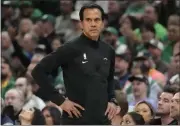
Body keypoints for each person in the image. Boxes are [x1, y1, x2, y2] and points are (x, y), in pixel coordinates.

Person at [31, 3, 117, 125]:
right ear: (81, 24)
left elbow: (109, 79)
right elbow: (38, 71)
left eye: (97, 20)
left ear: (103, 23)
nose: (93, 24)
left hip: (102, 121)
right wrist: (60, 101)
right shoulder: (70, 48)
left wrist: (112, 100)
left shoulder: (108, 51)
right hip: (76, 121)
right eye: (88, 20)